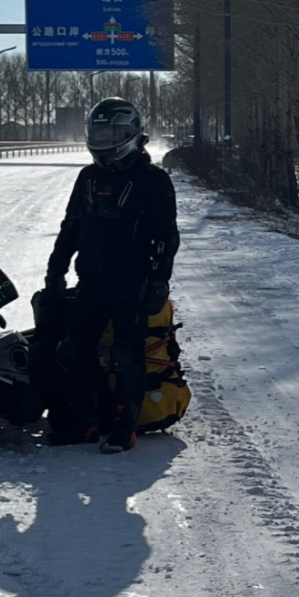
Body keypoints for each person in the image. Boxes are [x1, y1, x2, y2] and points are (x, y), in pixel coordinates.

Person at [43, 98, 179, 453]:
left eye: (114, 132)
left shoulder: (153, 179)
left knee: (125, 353)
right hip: (91, 281)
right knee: (73, 350)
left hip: (132, 283)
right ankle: (85, 422)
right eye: (100, 132)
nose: (106, 139)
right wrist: (55, 271)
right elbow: (70, 227)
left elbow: (166, 235)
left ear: (132, 133)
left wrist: (159, 279)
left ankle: (125, 426)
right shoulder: (88, 177)